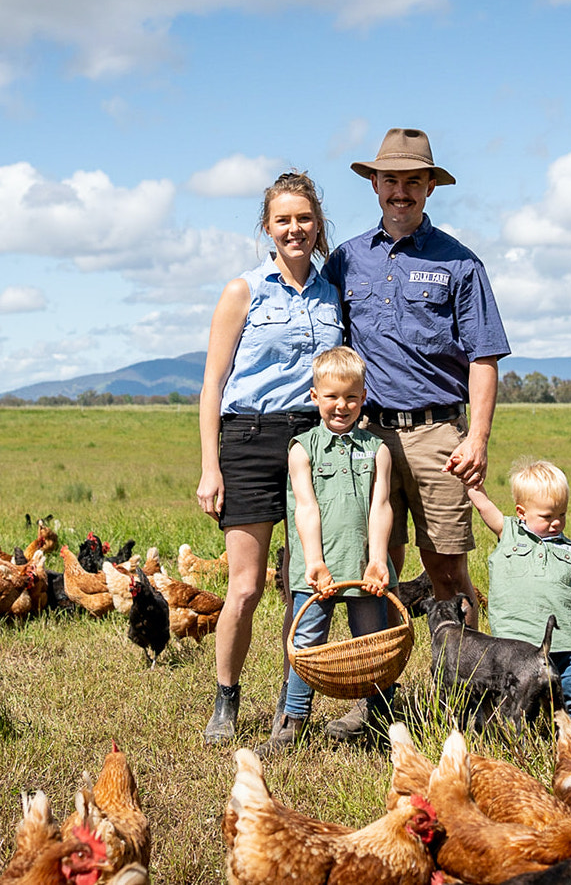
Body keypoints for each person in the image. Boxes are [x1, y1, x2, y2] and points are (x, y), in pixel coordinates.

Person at [322, 127, 510, 739]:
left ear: (431, 185)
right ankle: (374, 698)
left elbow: (484, 358)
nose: (400, 191)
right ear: (374, 185)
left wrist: (476, 439)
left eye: (412, 180)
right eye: (389, 180)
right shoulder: (347, 257)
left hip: (436, 434)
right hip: (366, 436)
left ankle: (466, 696)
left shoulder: (459, 261)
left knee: (446, 570)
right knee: (374, 565)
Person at [196, 171, 343, 746]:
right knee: (246, 585)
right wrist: (211, 468)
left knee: (304, 582)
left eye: (304, 218)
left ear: (318, 223)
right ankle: (227, 700)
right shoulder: (244, 291)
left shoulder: (334, 292)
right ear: (267, 227)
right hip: (249, 438)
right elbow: (212, 385)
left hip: (312, 440)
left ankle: (292, 703)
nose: (294, 229)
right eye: (283, 219)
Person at [255, 346, 397, 756]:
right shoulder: (302, 449)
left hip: (365, 567)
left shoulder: (377, 449)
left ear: (363, 397)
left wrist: (376, 559)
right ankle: (292, 722)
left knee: (373, 643)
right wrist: (314, 561)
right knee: (307, 642)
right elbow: (306, 507)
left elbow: (380, 506)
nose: (342, 405)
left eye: (352, 397)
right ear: (315, 396)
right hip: (314, 568)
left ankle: (380, 718)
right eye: (332, 396)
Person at [466, 458, 571, 731]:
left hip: (566, 640)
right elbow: (484, 507)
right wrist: (472, 485)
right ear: (521, 512)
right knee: (519, 691)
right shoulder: (509, 534)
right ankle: (522, 732)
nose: (556, 523)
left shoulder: (569, 550)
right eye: (547, 516)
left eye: (562, 514)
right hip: (518, 641)